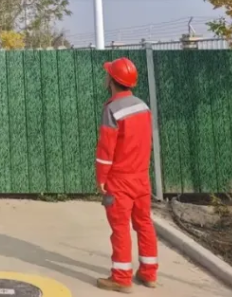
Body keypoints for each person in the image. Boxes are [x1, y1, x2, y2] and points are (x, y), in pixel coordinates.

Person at [95, 57, 159, 292]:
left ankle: (121, 278)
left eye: (108, 74)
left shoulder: (112, 109)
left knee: (120, 227)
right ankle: (149, 274)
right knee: (144, 223)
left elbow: (106, 148)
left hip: (119, 180)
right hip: (141, 177)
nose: (106, 77)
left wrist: (101, 178)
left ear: (112, 80)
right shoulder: (143, 106)